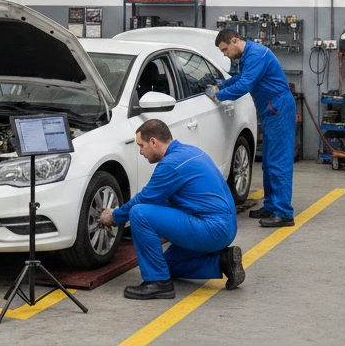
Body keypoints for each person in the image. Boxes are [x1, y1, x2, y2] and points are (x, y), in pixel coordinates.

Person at [98, 119, 245, 300]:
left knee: (139, 213)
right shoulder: (191, 151)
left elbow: (144, 199)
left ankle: (158, 283)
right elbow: (168, 201)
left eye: (141, 146)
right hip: (225, 226)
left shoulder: (170, 165)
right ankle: (223, 261)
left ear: (153, 142)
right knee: (165, 264)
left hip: (211, 228)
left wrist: (114, 216)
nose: (141, 152)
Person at [208, 28, 297, 228]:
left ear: (234, 40)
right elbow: (241, 78)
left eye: (224, 50)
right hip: (270, 110)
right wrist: (221, 85)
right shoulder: (249, 55)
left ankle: (283, 213)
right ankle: (272, 206)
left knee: (278, 162)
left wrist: (219, 95)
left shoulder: (256, 54)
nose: (224, 54)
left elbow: (245, 85)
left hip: (278, 110)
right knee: (268, 163)